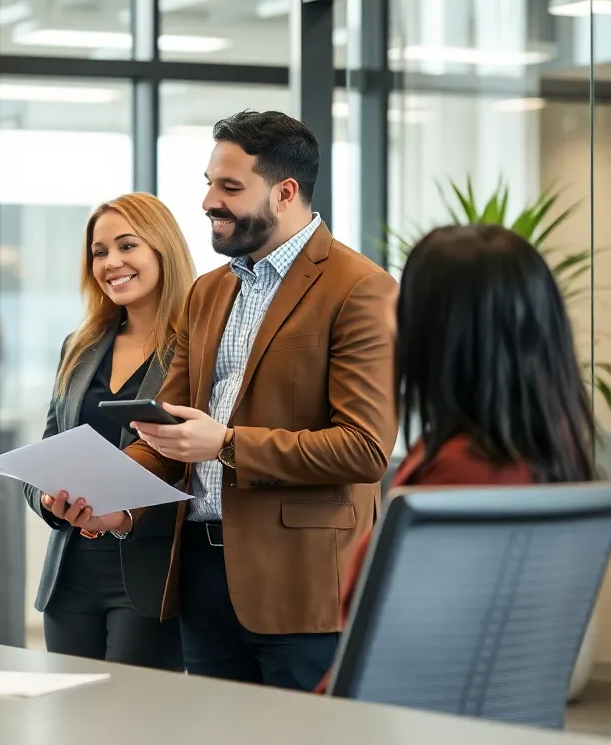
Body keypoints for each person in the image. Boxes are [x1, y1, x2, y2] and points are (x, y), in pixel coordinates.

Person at [42, 110, 398, 691]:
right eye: (209, 183)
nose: (209, 201)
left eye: (230, 187)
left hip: (300, 585)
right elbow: (165, 431)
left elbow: (364, 449)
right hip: (202, 576)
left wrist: (228, 444)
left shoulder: (361, 289)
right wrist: (113, 501)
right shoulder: (210, 291)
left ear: (285, 193)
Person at [312, 223, 597, 692]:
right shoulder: (543, 449)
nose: (390, 309)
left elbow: (395, 648)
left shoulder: (467, 471)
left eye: (407, 297)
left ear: (442, 326)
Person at [24, 193, 194, 670]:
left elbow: (193, 466)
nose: (111, 262)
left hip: (149, 575)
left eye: (126, 246)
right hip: (70, 574)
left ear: (162, 250)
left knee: (131, 726)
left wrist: (124, 513)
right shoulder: (79, 347)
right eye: (99, 252)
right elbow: (47, 451)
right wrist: (44, 500)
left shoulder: (195, 347)